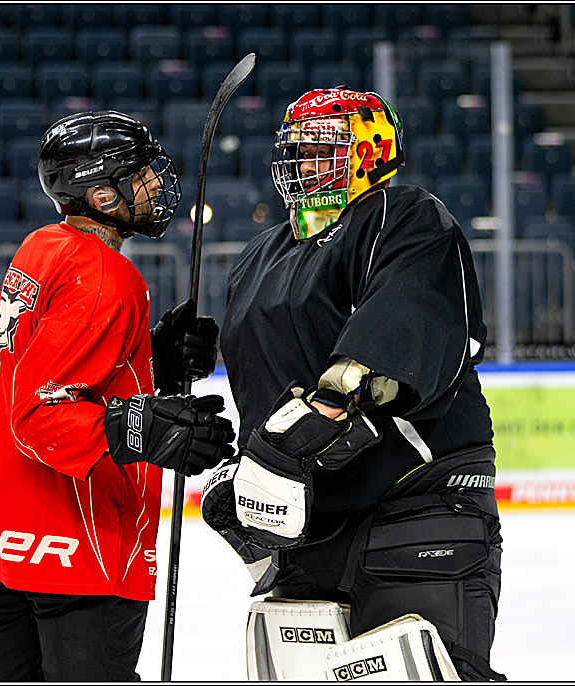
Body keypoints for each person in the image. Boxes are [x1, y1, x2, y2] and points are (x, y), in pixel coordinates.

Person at [201, 88, 505, 681]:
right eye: (295, 149)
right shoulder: (260, 255)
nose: (301, 163)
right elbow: (262, 386)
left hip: (414, 505)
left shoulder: (403, 217)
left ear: (369, 153)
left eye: (320, 148)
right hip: (311, 529)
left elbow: (404, 330)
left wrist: (327, 407)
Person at [0, 110, 234, 682]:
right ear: (103, 195)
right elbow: (39, 415)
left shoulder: (41, 247)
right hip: (77, 550)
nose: (156, 184)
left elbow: (44, 367)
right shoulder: (105, 275)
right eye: (141, 174)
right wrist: (145, 427)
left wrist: (146, 359)